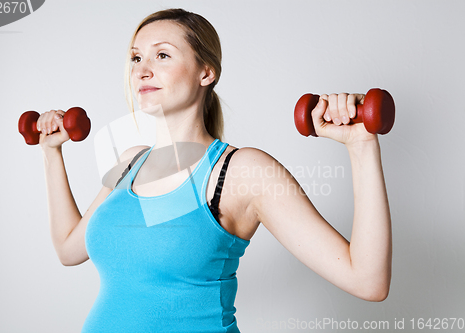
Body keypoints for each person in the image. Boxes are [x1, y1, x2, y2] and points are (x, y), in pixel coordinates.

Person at [36, 8, 392, 333]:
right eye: (136, 58)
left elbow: (367, 281)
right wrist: (52, 153)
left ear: (206, 72)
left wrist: (361, 146)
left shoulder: (241, 171)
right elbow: (69, 250)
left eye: (162, 55)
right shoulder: (130, 161)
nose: (142, 70)